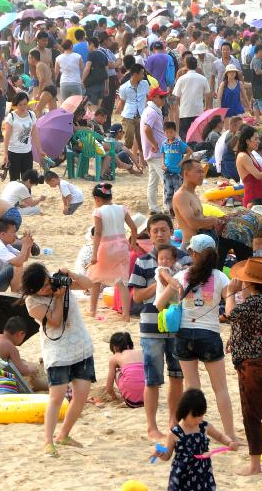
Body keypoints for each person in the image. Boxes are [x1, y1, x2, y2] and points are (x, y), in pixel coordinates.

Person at [155, 234, 238, 443]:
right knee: (221, 388)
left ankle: (193, 432)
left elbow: (158, 304)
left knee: (192, 388)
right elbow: (229, 310)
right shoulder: (220, 277)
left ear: (192, 253)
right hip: (209, 333)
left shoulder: (183, 276)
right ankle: (230, 434)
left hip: (183, 334)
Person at [128, 214, 192, 440]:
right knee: (152, 378)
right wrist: (160, 282)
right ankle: (151, 426)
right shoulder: (142, 261)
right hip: (151, 326)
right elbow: (135, 297)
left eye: (163, 230)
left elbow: (192, 290)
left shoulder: (184, 259)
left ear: (171, 231)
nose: (159, 234)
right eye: (154, 231)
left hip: (178, 325)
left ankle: (173, 423)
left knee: (177, 376)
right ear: (149, 233)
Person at [22, 264, 96, 457]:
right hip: (57, 352)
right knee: (56, 397)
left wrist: (71, 275)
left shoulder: (59, 282)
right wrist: (60, 296)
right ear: (32, 290)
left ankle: (63, 435)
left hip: (81, 346)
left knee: (80, 396)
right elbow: (55, 321)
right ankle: (48, 441)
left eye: (47, 283)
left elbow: (90, 284)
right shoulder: (32, 302)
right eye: (42, 287)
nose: (47, 288)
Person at [225, 257, 262, 476]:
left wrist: (230, 295)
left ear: (249, 284)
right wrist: (236, 338)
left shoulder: (251, 303)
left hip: (253, 366)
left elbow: (231, 315)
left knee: (251, 413)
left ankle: (255, 465)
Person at [152, 388, 238, 491]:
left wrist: (229, 442)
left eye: (201, 415)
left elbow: (219, 436)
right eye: (194, 416)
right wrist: (161, 453)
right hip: (182, 477)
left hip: (203, 474)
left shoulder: (204, 427)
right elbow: (167, 455)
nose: (198, 420)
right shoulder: (174, 433)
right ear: (184, 411)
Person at [86, 183, 137, 319]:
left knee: (96, 279)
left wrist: (94, 255)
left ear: (97, 199)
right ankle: (126, 314)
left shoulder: (98, 211)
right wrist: (132, 244)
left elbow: (97, 234)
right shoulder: (122, 208)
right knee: (121, 282)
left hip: (105, 246)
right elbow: (133, 227)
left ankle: (92, 310)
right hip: (121, 246)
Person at [172, 159, 218, 247]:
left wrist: (208, 220)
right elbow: (193, 223)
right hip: (191, 245)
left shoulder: (191, 193)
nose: (202, 175)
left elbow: (198, 218)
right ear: (186, 174)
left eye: (203, 172)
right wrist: (213, 220)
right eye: (199, 172)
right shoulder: (181, 195)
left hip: (200, 242)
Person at [2, 91, 45, 182]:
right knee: (14, 181)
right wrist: (5, 153)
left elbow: (35, 133)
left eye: (25, 104)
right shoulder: (11, 116)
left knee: (28, 181)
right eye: (20, 104)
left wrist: (40, 149)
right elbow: (7, 136)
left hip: (27, 152)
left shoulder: (31, 115)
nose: (23, 107)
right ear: (16, 104)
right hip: (13, 153)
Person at [142, 87, 169, 213]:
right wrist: (154, 144)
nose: (164, 99)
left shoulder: (153, 110)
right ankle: (168, 208)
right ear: (153, 98)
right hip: (156, 152)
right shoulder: (152, 112)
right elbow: (147, 129)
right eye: (161, 97)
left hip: (153, 152)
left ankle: (153, 208)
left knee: (153, 182)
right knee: (167, 180)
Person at [172, 56, 209, 140]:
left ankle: (188, 152)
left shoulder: (181, 79)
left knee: (185, 136)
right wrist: (206, 107)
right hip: (199, 111)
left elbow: (175, 97)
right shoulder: (203, 78)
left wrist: (174, 109)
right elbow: (208, 94)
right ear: (196, 66)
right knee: (198, 135)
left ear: (186, 66)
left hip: (185, 111)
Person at [105, 332, 145, 408]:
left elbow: (109, 388)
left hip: (132, 402)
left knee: (117, 372)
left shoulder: (115, 357)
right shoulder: (141, 352)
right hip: (149, 398)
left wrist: (114, 397)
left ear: (114, 347)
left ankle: (127, 395)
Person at [160, 121, 192, 211]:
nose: (169, 134)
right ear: (164, 132)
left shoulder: (179, 143)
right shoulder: (164, 144)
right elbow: (162, 154)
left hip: (177, 172)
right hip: (167, 171)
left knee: (178, 191)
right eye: (167, 132)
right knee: (168, 191)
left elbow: (190, 151)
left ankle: (180, 209)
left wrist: (182, 162)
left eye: (171, 132)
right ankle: (169, 210)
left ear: (175, 131)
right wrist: (162, 164)